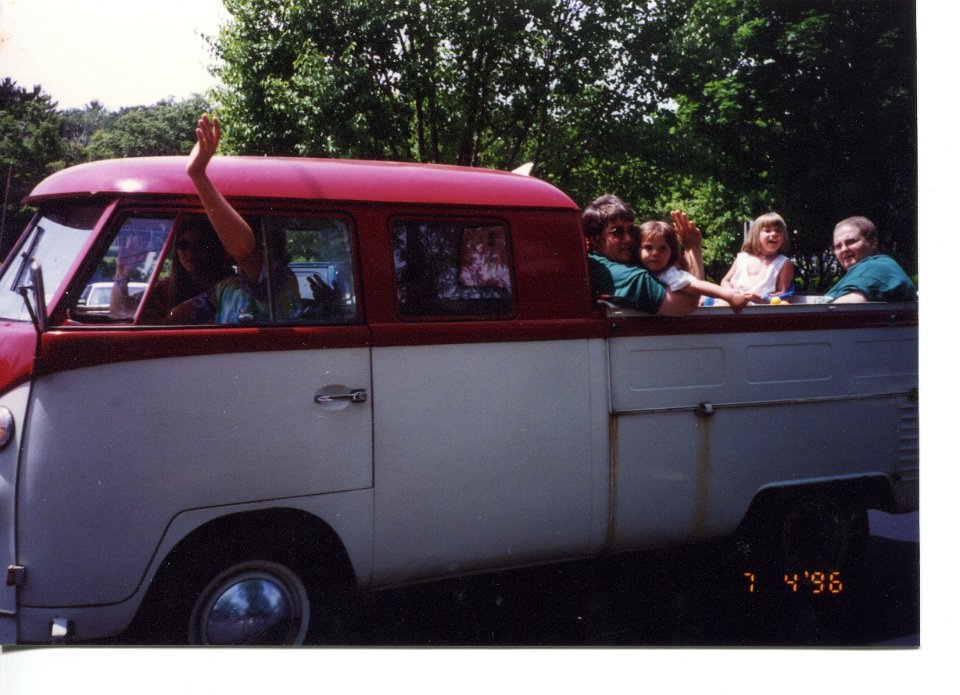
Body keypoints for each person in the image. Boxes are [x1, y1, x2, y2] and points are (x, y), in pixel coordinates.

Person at [166, 114, 302, 324]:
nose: (224, 240)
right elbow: (176, 317)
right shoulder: (227, 287)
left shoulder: (278, 276)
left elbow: (245, 253)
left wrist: (198, 175)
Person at [583, 195, 701, 316]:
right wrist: (693, 247)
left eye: (631, 230)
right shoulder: (629, 277)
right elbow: (688, 303)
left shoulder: (593, 261)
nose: (628, 238)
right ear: (595, 239)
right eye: (617, 232)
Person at [110, 216, 234, 322]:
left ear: (213, 249)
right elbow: (120, 312)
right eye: (183, 246)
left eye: (199, 245)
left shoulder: (229, 287)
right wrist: (122, 272)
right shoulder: (167, 287)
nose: (191, 253)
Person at [636, 220, 750, 312]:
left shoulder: (669, 274)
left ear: (671, 253)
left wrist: (729, 295)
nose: (655, 253)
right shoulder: (634, 268)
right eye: (648, 247)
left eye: (662, 248)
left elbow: (696, 284)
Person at [822, 216, 917, 303]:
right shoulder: (858, 272)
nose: (844, 249)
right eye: (838, 246)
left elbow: (845, 308)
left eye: (851, 242)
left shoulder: (879, 267)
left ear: (872, 243)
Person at [719, 212, 794, 304]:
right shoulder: (742, 258)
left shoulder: (784, 263)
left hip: (760, 308)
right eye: (767, 230)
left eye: (778, 230)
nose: (774, 234)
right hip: (732, 302)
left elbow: (782, 292)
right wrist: (731, 292)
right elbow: (725, 281)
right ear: (756, 235)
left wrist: (761, 298)